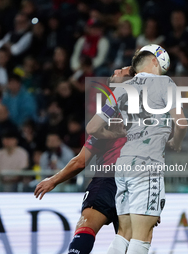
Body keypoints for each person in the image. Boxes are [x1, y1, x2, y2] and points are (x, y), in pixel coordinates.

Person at [86, 50, 188, 254]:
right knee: (142, 236)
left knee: (124, 233)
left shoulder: (121, 89)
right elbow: (182, 123)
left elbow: (92, 128)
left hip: (123, 167)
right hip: (147, 166)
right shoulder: (165, 83)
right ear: (153, 62)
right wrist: (176, 141)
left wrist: (115, 132)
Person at [35, 68, 129, 254]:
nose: (116, 71)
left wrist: (53, 180)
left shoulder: (108, 119)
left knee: (86, 226)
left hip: (108, 178)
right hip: (136, 184)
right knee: (128, 241)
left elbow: (80, 161)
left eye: (123, 72)